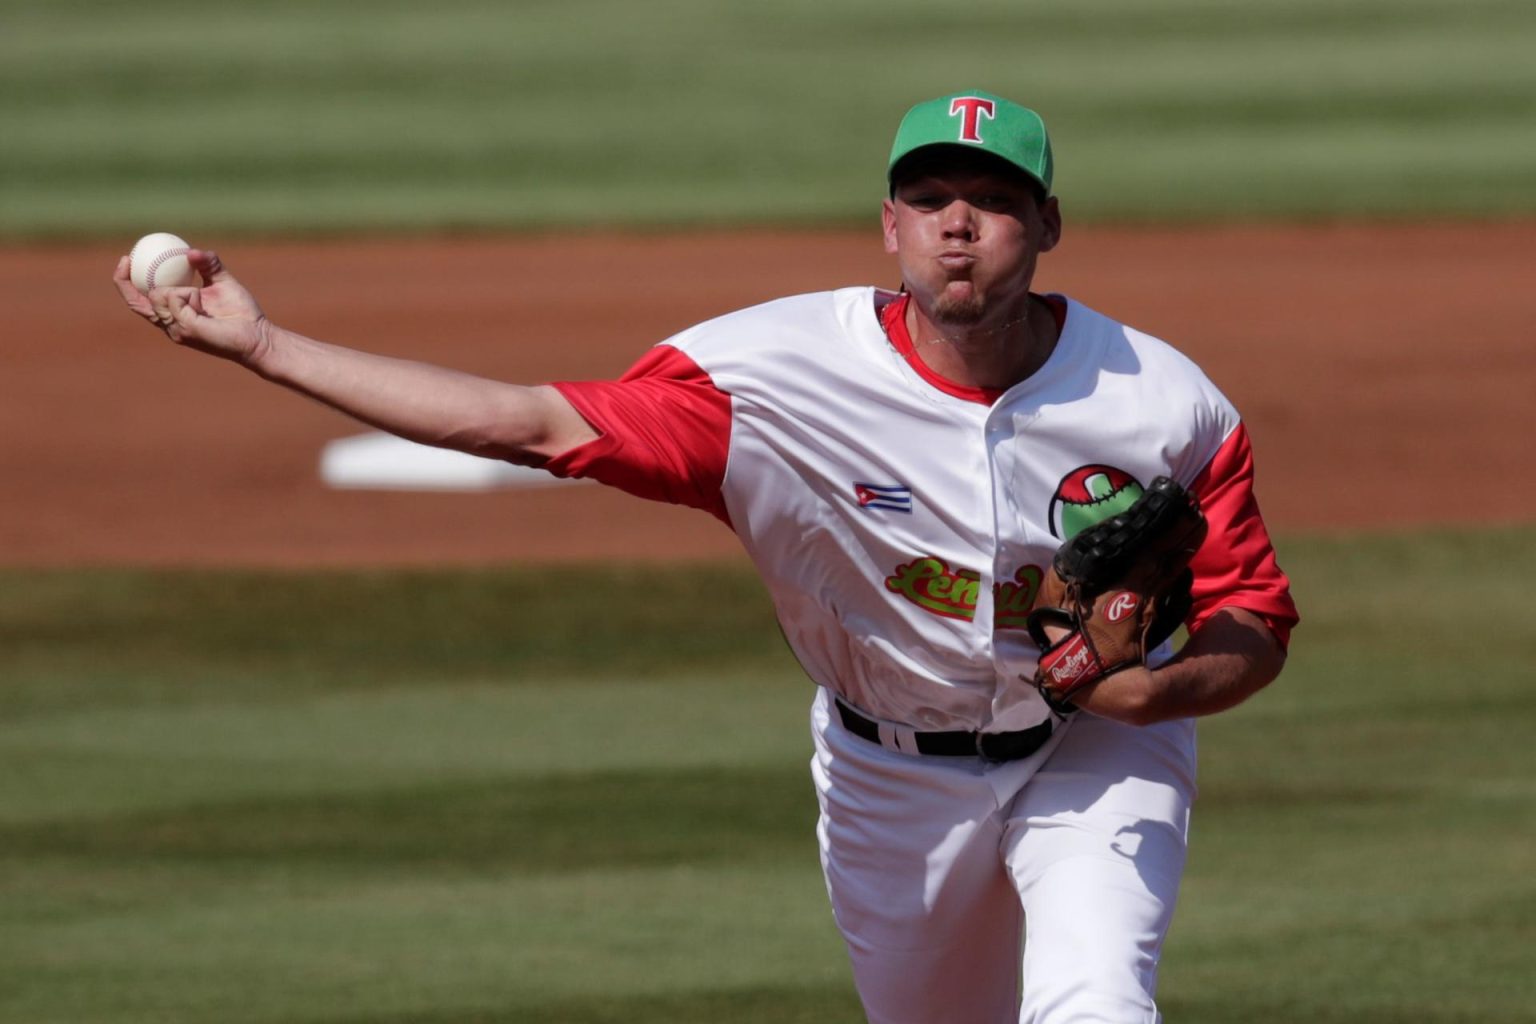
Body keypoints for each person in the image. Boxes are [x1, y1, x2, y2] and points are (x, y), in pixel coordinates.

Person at [114, 89, 1297, 1024]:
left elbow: (1255, 617)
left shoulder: (1163, 402)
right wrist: (267, 346)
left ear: (1044, 224)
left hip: (1093, 752)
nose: (956, 222)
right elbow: (528, 422)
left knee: (1097, 1000)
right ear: (887, 225)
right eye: (928, 194)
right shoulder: (768, 380)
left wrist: (1156, 689)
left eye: (991, 198)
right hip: (893, 773)